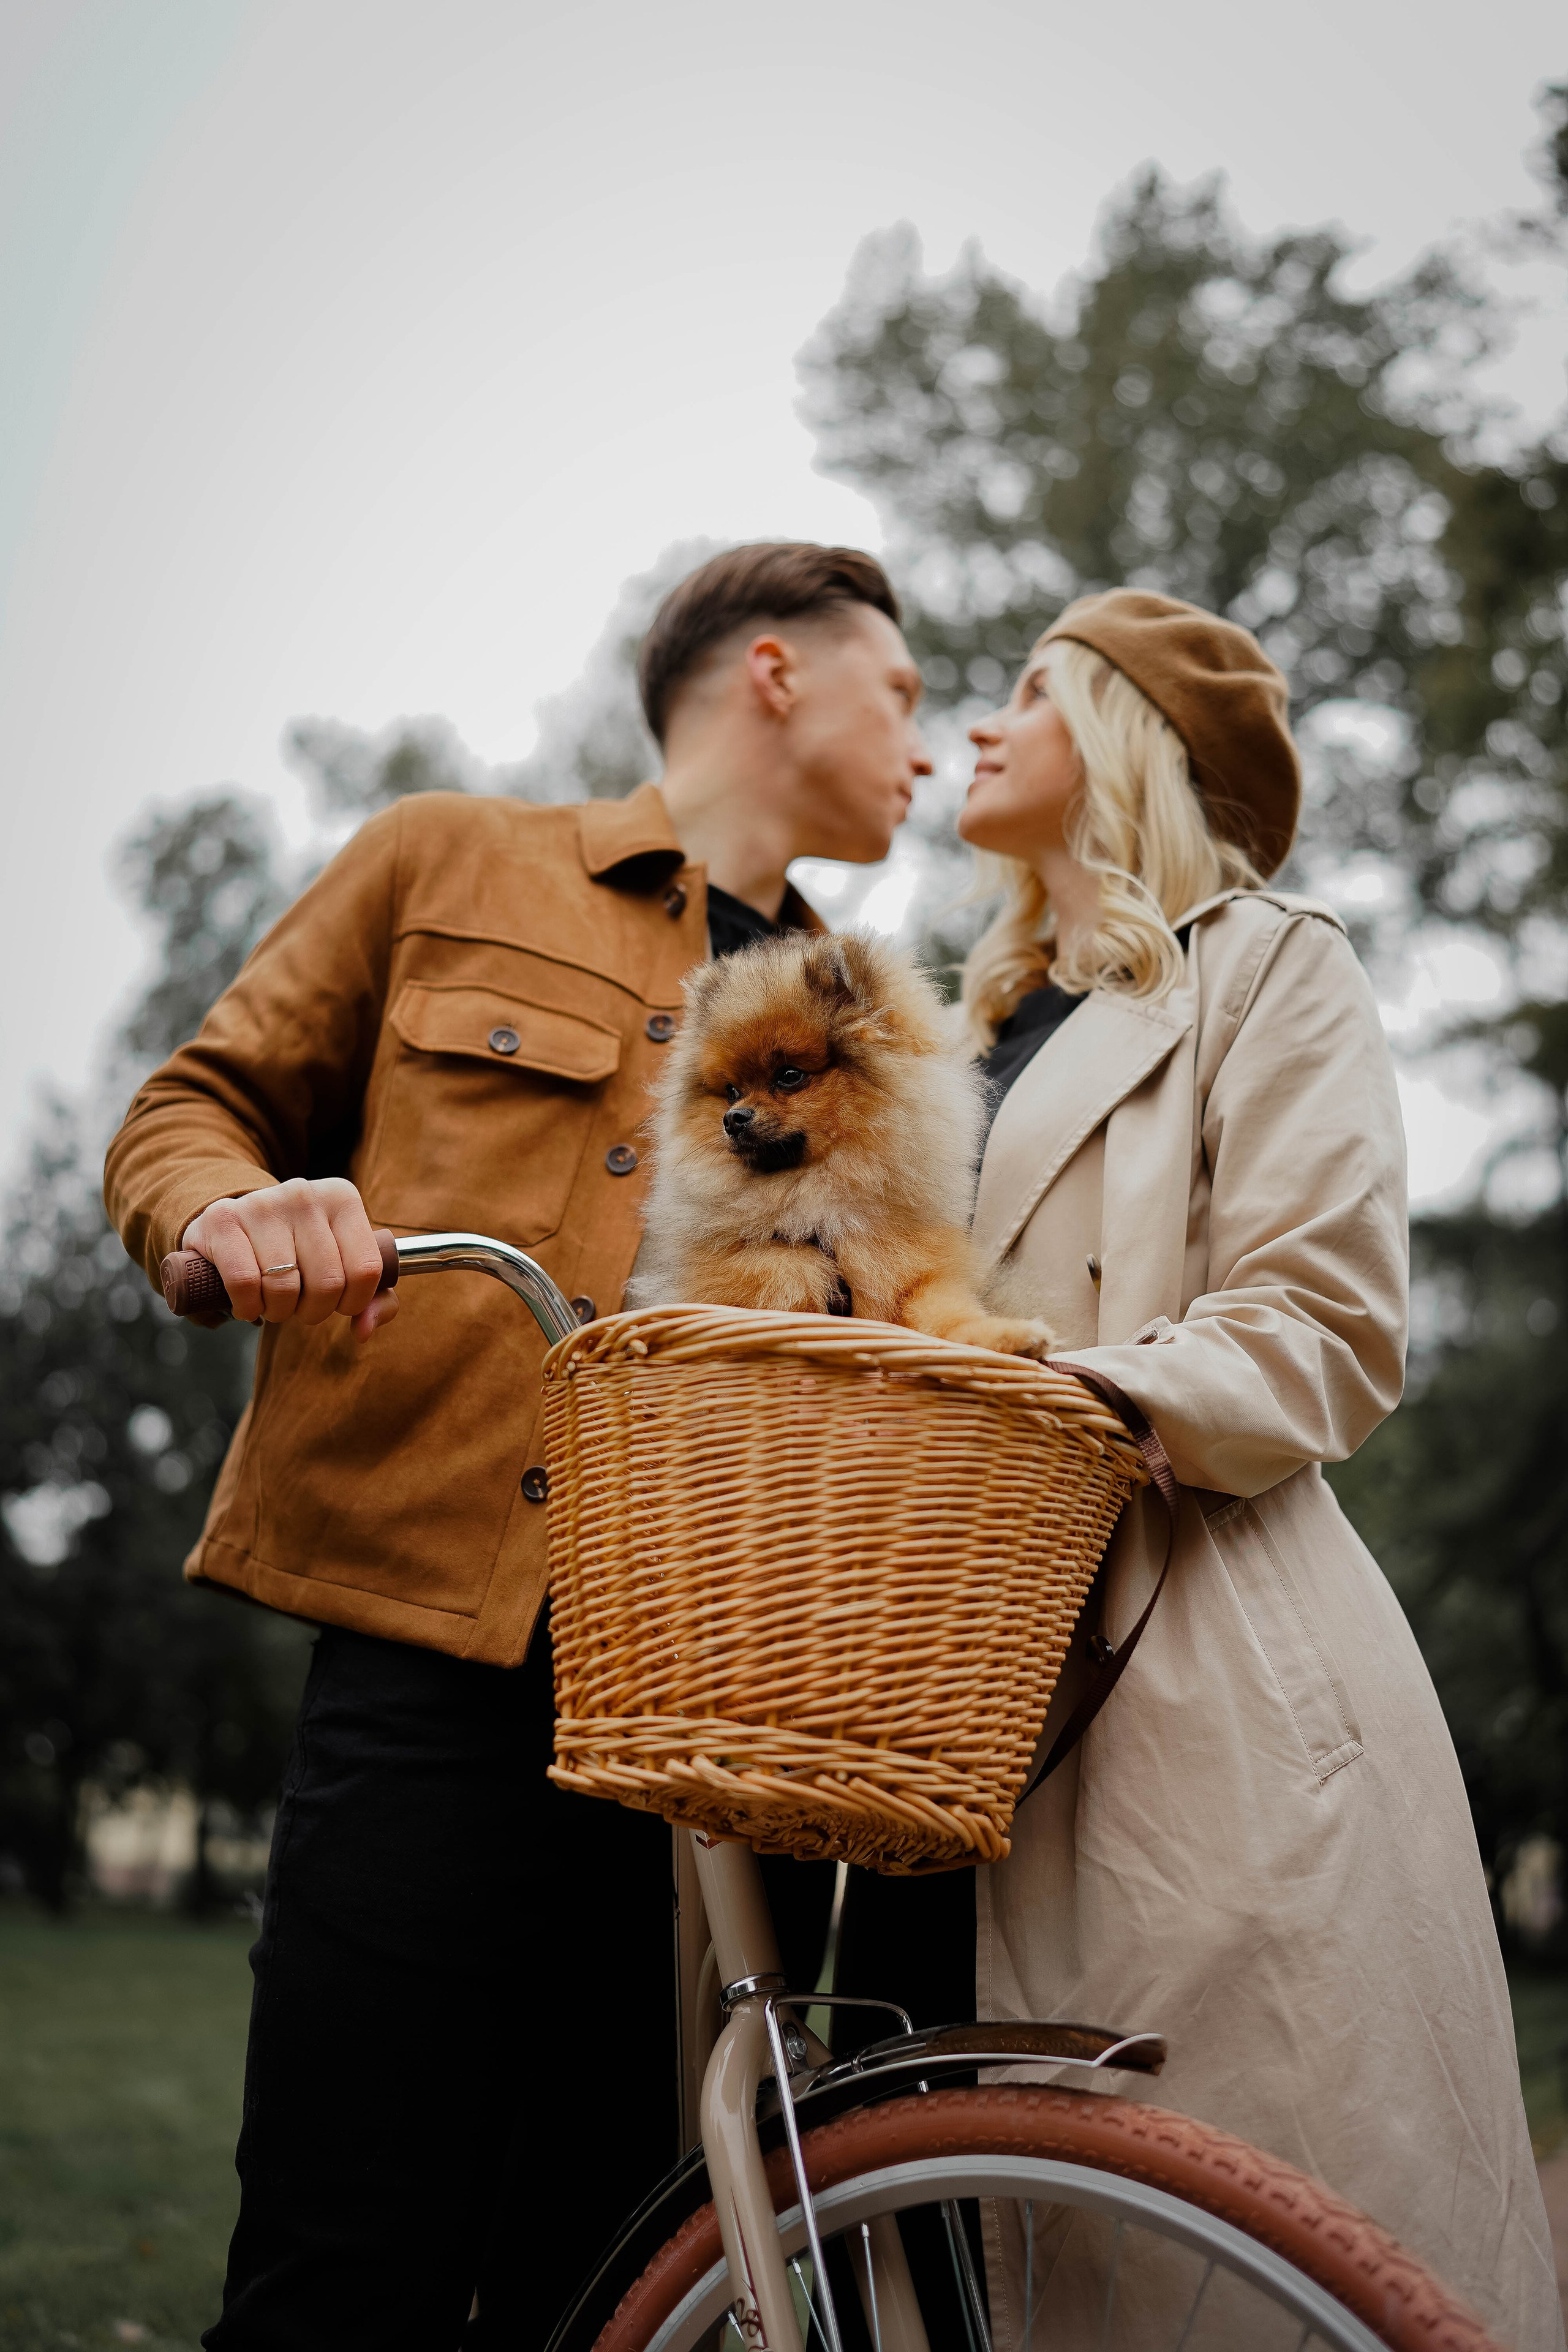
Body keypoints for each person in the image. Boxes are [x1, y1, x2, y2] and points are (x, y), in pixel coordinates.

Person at [102, 542, 932, 2351]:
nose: (927, 747)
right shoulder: (446, 860)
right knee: (347, 2268)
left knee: (623, 2289)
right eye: (908, 692)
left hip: (728, 1723)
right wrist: (232, 1213)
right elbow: (194, 1106)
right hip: (437, 1671)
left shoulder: (878, 1012)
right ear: (776, 671)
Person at [956, 588, 1561, 2348]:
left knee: (1230, 2254)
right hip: (944, 1692)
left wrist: (1064, 1405)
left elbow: (1323, 1321)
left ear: (1127, 733)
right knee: (957, 2231)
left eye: (1028, 693)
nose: (978, 730)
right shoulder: (954, 1025)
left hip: (1194, 1671)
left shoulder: (1276, 965)